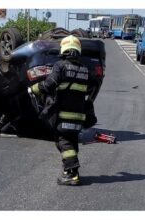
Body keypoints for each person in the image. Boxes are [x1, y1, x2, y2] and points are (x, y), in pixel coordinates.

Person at [29, 35, 92, 185]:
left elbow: (50, 84)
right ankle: (68, 170)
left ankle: (72, 174)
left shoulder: (60, 66)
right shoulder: (84, 70)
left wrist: (34, 88)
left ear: (64, 50)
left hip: (63, 115)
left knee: (63, 142)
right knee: (72, 141)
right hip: (79, 116)